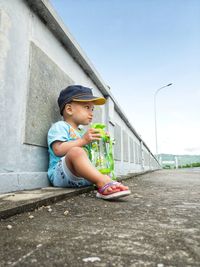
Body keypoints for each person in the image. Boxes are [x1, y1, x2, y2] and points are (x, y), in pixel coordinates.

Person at [47, 85, 131, 200]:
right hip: (61, 174)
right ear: (69, 109)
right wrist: (83, 140)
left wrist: (102, 141)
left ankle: (103, 182)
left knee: (96, 161)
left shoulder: (82, 132)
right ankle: (102, 181)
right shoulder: (60, 126)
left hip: (81, 178)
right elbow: (58, 150)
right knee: (76, 152)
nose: (91, 113)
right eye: (87, 107)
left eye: (92, 109)